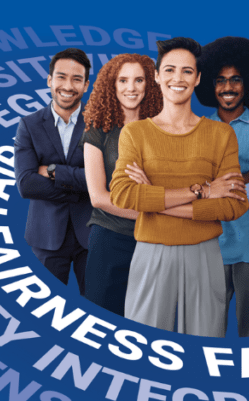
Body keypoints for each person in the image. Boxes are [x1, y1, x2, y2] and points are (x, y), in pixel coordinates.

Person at [109, 37, 248, 337]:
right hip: (150, 253)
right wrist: (202, 191)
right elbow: (123, 195)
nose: (178, 78)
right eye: (169, 70)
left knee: (204, 349)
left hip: (205, 255)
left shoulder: (220, 134)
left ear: (197, 79)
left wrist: (156, 200)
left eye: (187, 71)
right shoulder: (136, 133)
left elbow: (234, 204)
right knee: (143, 350)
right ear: (157, 76)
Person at [196, 36, 249, 337]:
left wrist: (211, 188)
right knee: (207, 329)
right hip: (209, 244)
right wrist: (242, 178)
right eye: (220, 80)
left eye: (235, 80)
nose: (227, 88)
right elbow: (189, 190)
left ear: (248, 83)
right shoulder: (196, 132)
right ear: (209, 84)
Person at [79, 54, 163, 316]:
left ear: (150, 84)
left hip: (154, 244)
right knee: (101, 324)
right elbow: (99, 197)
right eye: (123, 80)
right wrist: (150, 212)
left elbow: (169, 188)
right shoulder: (97, 131)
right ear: (111, 85)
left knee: (147, 324)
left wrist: (156, 201)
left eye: (139, 80)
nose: (131, 87)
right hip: (109, 240)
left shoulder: (163, 131)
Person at [14, 48, 92, 293]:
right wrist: (83, 187)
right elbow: (26, 184)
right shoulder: (29, 125)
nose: (68, 85)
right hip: (45, 236)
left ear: (86, 85)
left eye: (76, 79)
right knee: (46, 312)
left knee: (101, 312)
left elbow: (108, 180)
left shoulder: (101, 124)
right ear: (49, 80)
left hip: (92, 236)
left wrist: (51, 170)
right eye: (61, 77)